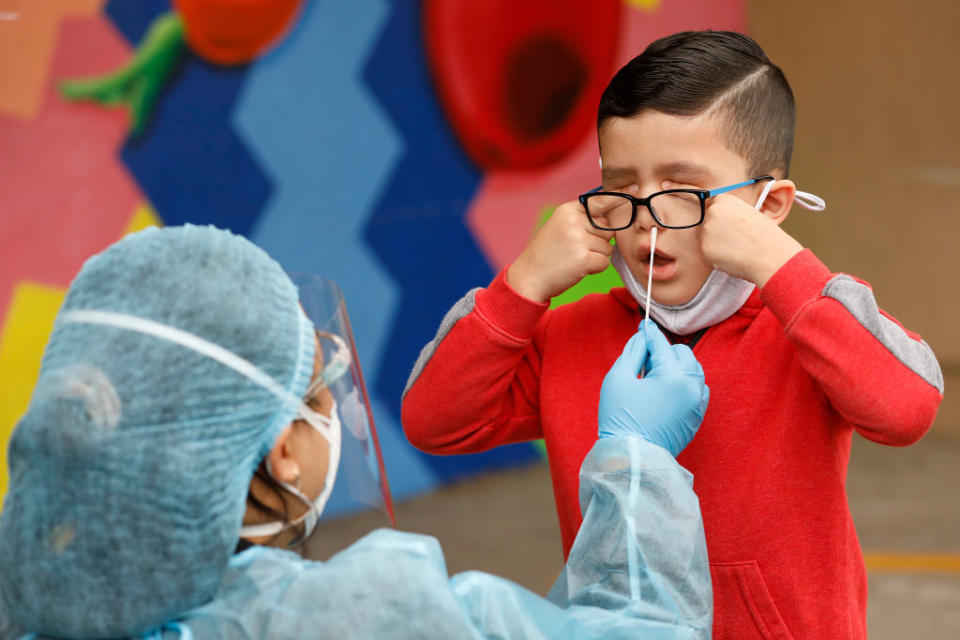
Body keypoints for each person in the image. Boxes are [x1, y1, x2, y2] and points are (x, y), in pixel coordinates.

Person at [401, 30, 944, 639]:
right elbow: (433, 420)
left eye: (682, 190)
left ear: (767, 206)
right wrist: (522, 284)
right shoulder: (573, 335)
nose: (646, 222)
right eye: (623, 186)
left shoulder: (806, 323)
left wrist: (781, 267)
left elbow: (908, 408)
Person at [0, 225, 714, 639]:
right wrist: (638, 466)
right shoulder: (366, 617)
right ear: (283, 453)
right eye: (317, 389)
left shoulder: (31, 594)